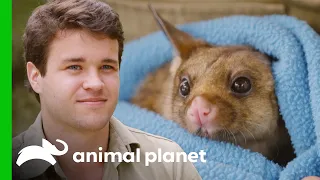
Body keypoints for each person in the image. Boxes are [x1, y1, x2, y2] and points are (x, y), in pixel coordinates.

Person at [12, 0, 202, 179]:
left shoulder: (170, 164)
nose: (96, 83)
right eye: (74, 67)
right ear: (35, 77)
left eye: (106, 67)